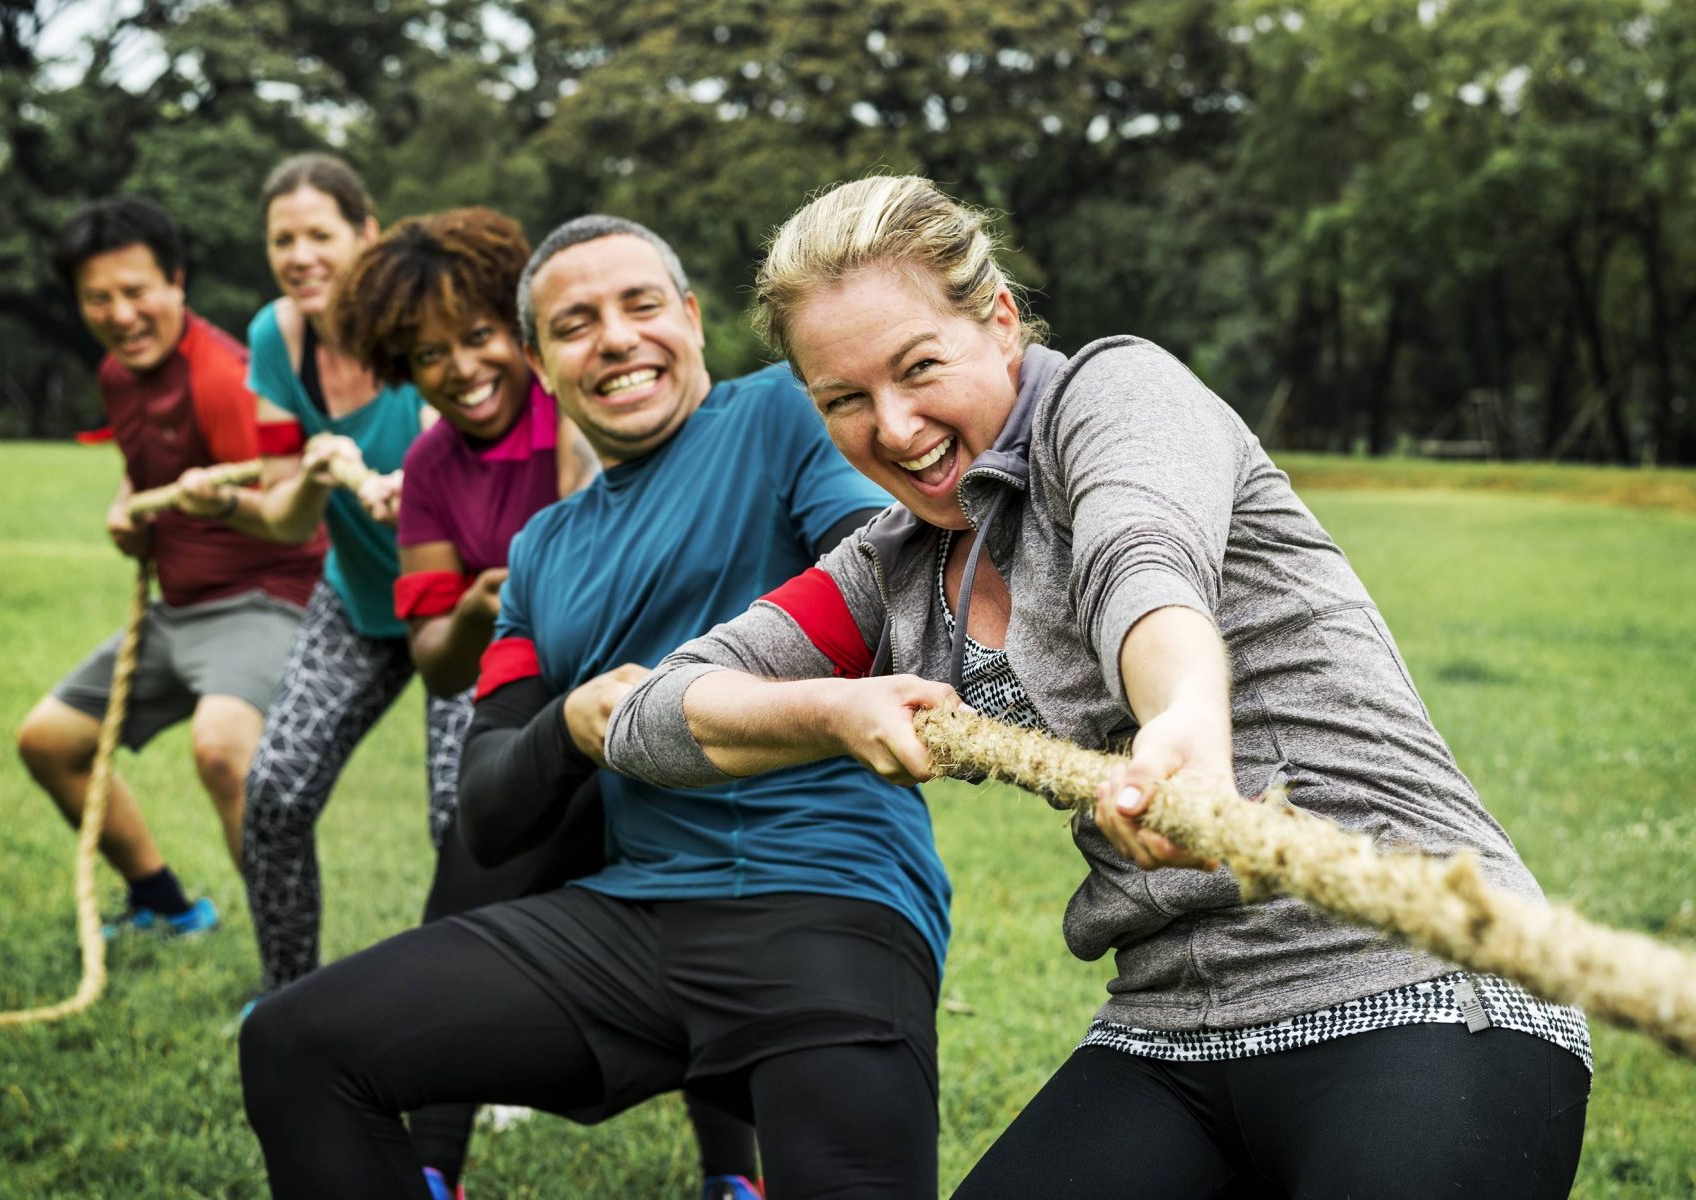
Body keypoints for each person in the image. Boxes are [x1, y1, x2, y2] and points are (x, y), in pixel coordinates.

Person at [605, 176, 1594, 1200]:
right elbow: (654, 717)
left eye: (918, 369)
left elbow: (1142, 564)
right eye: (845, 401)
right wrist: (830, 709)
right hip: (1170, 1029)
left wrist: (1185, 727)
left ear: (997, 323)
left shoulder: (1115, 395)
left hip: (1417, 981)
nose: (894, 429)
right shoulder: (888, 568)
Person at [240, 214, 948, 1200]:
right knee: (295, 1043)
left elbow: (887, 585)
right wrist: (571, 723)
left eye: (641, 305)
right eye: (575, 324)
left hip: (826, 906)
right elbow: (488, 811)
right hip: (635, 924)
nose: (615, 338)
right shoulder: (540, 555)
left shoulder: (780, 418)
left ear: (693, 320)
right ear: (539, 361)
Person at [327, 205, 752, 1200]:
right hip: (535, 722)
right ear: (402, 366)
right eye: (427, 354)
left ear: (519, 341)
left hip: (663, 705)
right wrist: (483, 605)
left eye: (477, 338)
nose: (462, 368)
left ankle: (737, 1178)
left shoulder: (592, 400)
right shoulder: (433, 469)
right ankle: (433, 1169)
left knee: (711, 922)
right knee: (459, 909)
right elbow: (435, 661)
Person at [173, 153, 458, 1004]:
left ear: (366, 234)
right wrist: (315, 472)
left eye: (319, 235)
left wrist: (426, 488)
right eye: (281, 239)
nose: (300, 255)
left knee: (465, 820)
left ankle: (489, 1039)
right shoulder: (276, 337)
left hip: (467, 603)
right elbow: (285, 519)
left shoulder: (422, 320)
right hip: (361, 600)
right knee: (275, 791)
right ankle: (288, 999)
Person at [16, 197, 324, 937]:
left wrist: (214, 506)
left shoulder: (225, 377)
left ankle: (291, 972)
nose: (121, 314)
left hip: (264, 598)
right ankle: (166, 906)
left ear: (177, 282)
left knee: (222, 747)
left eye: (137, 291)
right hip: (176, 609)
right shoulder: (120, 377)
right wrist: (130, 507)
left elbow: (294, 513)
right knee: (49, 742)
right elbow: (147, 466)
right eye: (99, 298)